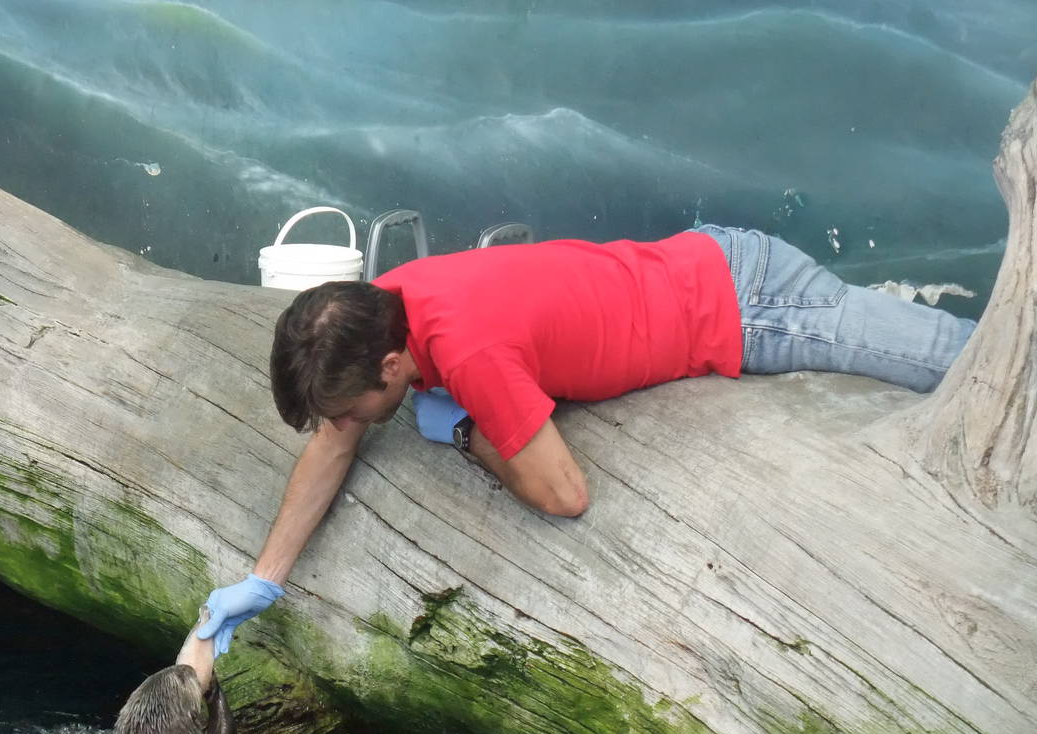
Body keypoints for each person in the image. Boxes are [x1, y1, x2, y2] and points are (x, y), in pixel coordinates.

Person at [196, 224, 975, 654]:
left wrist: (465, 428)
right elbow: (332, 445)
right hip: (700, 263)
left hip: (751, 306)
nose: (348, 429)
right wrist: (264, 579)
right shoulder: (392, 298)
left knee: (971, 363)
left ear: (393, 365)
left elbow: (564, 494)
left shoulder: (466, 353)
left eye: (353, 409)